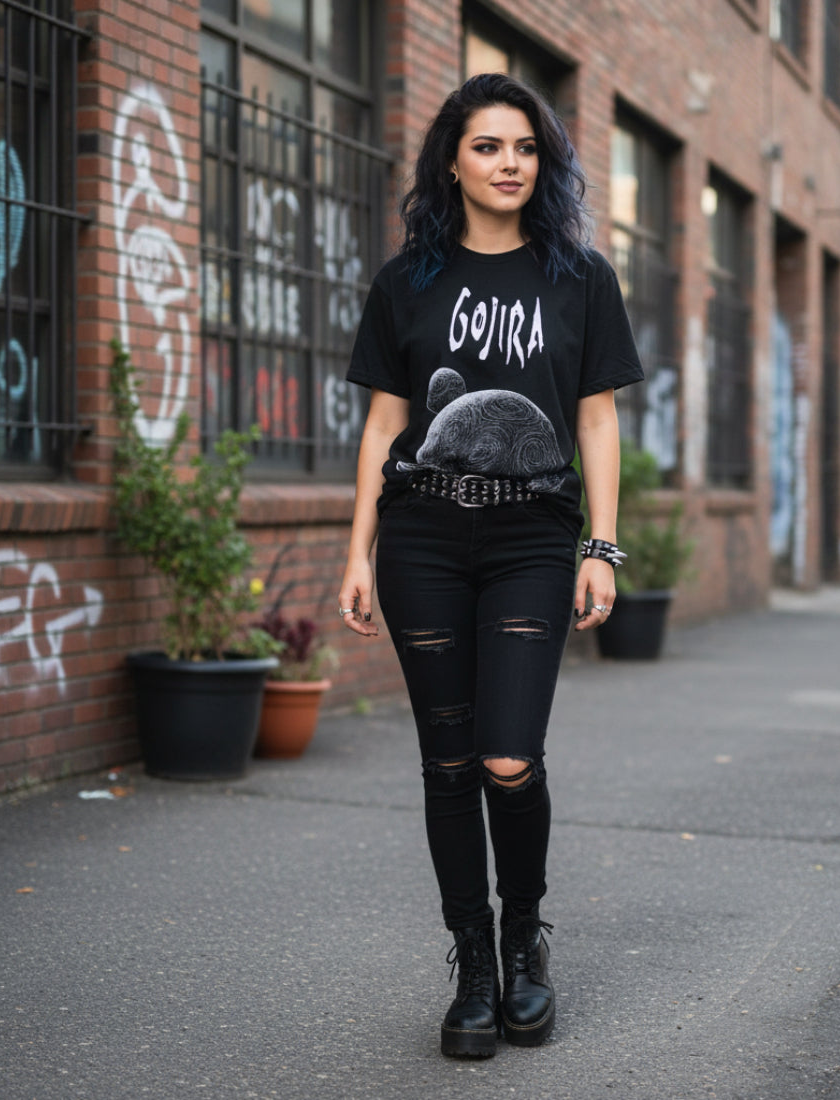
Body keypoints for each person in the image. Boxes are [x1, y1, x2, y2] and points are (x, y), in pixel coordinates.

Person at [338, 72, 643, 1059]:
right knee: (446, 760)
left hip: (530, 538)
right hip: (422, 535)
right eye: (487, 146)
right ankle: (472, 963)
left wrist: (600, 545)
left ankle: (523, 938)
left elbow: (596, 420)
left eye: (525, 147)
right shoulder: (406, 282)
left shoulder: (579, 277)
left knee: (508, 756)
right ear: (452, 162)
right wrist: (358, 549)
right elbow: (383, 423)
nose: (509, 163)